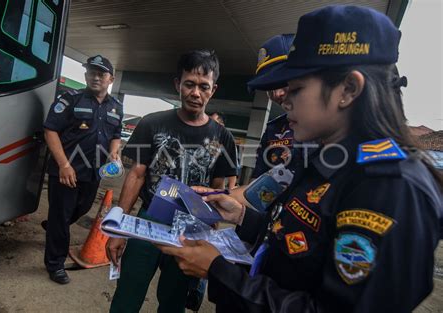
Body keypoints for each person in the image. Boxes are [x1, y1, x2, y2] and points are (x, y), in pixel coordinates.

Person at [158, 5, 443, 312]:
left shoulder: (392, 187)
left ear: (348, 88)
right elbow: (299, 243)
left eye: (297, 89)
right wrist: (241, 216)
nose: (286, 101)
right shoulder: (329, 159)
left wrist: (218, 271)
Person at [106, 50, 238, 313]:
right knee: (128, 292)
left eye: (204, 86)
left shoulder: (224, 139)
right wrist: (119, 228)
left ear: (213, 90)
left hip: (190, 229)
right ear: (178, 84)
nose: (195, 93)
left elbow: (218, 190)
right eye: (189, 84)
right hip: (147, 222)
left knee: (174, 300)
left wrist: (208, 240)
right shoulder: (152, 123)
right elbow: (136, 174)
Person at [43, 55, 123, 284]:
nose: (95, 77)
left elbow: (116, 135)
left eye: (101, 74)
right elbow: (50, 131)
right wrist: (64, 165)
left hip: (94, 173)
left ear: (111, 79)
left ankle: (55, 226)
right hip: (66, 172)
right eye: (91, 72)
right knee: (61, 217)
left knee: (82, 208)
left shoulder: (116, 107)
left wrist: (114, 153)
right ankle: (55, 264)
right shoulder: (70, 99)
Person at [247, 34, 295, 179]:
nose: (277, 94)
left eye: (282, 82)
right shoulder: (273, 129)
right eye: (269, 87)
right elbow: (258, 187)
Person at [209, 111, 239, 188]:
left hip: (214, 188)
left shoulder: (227, 139)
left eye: (212, 121)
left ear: (221, 125)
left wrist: (231, 190)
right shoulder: (205, 137)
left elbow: (232, 170)